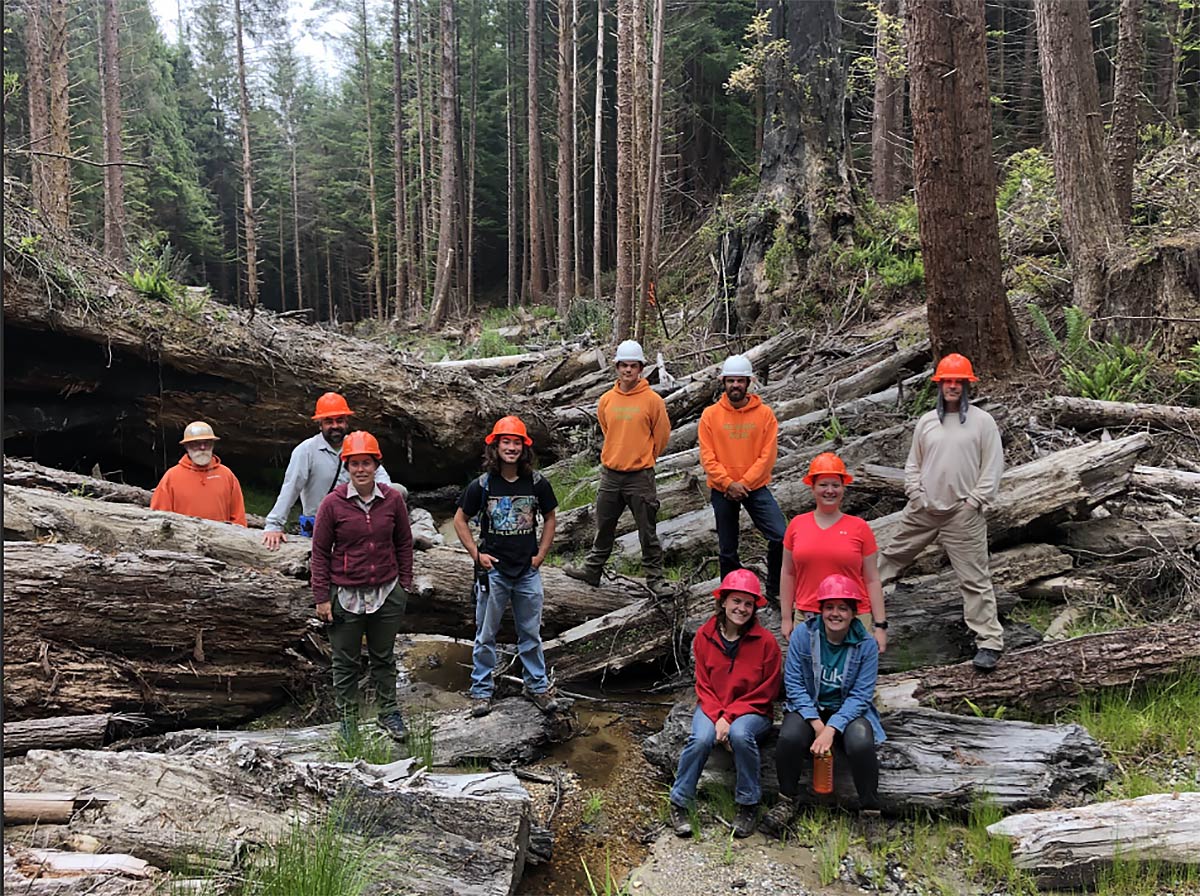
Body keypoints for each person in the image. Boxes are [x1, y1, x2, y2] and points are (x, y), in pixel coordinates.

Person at [877, 353, 1005, 670]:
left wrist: (975, 502)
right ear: (939, 385)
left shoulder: (982, 422)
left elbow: (992, 467)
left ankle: (989, 642)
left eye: (957, 381)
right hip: (923, 509)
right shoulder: (926, 422)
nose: (952, 386)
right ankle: (852, 612)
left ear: (966, 385)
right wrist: (915, 494)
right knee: (888, 559)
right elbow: (913, 463)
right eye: (947, 381)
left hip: (963, 514)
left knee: (975, 579)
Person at [452, 416, 560, 718]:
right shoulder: (483, 485)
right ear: (495, 446)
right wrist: (476, 553)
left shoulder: (537, 483)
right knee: (486, 634)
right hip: (494, 571)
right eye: (506, 442)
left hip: (527, 570)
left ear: (524, 448)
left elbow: (550, 518)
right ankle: (481, 691)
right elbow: (460, 519)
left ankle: (537, 686)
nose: (511, 448)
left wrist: (541, 554)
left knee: (531, 633)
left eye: (516, 442)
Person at [762, 574, 885, 835]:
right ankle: (787, 800)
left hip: (847, 709)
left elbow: (861, 695)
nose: (835, 613)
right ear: (820, 610)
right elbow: (794, 686)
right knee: (789, 738)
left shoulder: (866, 645)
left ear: (853, 612)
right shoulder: (802, 637)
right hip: (810, 707)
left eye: (842, 608)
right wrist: (819, 726)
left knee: (861, 742)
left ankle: (870, 811)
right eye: (829, 607)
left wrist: (833, 729)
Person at [310, 431, 413, 741]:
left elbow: (404, 543)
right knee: (345, 661)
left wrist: (403, 586)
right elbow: (319, 552)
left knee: (384, 657)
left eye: (366, 463)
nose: (360, 469)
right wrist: (321, 597)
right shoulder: (332, 504)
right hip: (344, 594)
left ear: (375, 465)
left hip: (386, 592)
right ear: (347, 467)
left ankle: (389, 714)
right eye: (354, 464)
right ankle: (347, 720)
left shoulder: (393, 499)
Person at [668, 569, 782, 840]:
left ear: (755, 608)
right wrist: (719, 715)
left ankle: (747, 805)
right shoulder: (705, 636)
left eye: (748, 603)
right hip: (711, 706)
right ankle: (680, 802)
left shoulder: (766, 643)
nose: (741, 608)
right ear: (723, 601)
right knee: (700, 739)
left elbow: (767, 690)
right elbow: (703, 685)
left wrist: (728, 718)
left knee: (741, 734)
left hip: (753, 710)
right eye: (736, 601)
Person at [564, 340, 673, 597]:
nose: (627, 371)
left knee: (647, 530)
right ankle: (593, 570)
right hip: (611, 474)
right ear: (617, 368)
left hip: (640, 476)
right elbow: (607, 429)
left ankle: (655, 579)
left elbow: (662, 436)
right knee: (604, 526)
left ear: (641, 368)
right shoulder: (606, 400)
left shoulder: (653, 401)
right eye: (623, 365)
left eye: (632, 366)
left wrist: (643, 457)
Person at [698, 354, 787, 603]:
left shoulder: (765, 415)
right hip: (722, 488)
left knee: (781, 536)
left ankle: (774, 590)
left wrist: (744, 483)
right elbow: (708, 457)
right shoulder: (710, 416)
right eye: (731, 381)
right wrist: (728, 483)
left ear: (749, 382)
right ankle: (730, 595)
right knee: (727, 549)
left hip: (755, 487)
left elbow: (767, 456)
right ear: (723, 382)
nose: (735, 385)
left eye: (740, 381)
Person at [780, 453, 887, 653]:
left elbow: (872, 579)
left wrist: (880, 626)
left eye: (835, 485)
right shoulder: (796, 525)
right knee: (808, 676)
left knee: (852, 675)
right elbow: (788, 573)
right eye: (823, 485)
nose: (830, 491)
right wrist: (786, 618)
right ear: (812, 488)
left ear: (843, 488)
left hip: (854, 616)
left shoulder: (859, 527)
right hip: (808, 614)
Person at [262, 392, 397, 550]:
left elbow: (384, 483)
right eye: (329, 421)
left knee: (397, 491)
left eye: (339, 420)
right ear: (320, 424)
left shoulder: (359, 444)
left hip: (357, 522)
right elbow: (291, 487)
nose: (335, 426)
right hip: (319, 524)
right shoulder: (306, 450)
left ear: (346, 422)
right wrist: (274, 525)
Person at [150, 421, 247, 527]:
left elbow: (239, 517)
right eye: (196, 443)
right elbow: (159, 517)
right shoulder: (172, 476)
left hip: (220, 540)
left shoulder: (226, 475)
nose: (202, 447)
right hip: (183, 540)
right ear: (186, 446)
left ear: (213, 445)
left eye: (207, 443)